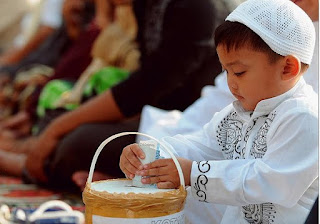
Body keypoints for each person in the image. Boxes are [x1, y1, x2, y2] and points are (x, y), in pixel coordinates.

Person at [120, 0, 318, 223]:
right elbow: (201, 146)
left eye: (239, 72)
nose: (231, 84)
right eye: (226, 71)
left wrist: (193, 173)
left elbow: (271, 182)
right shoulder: (239, 112)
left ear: (287, 68)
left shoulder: (304, 117)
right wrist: (153, 154)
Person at [0, 0, 226, 192]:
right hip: (151, 112)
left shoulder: (196, 6)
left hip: (187, 122)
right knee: (67, 106)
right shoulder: (143, 5)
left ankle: (33, 165)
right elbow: (127, 80)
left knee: (78, 142)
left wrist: (57, 129)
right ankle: (41, 152)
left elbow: (146, 86)